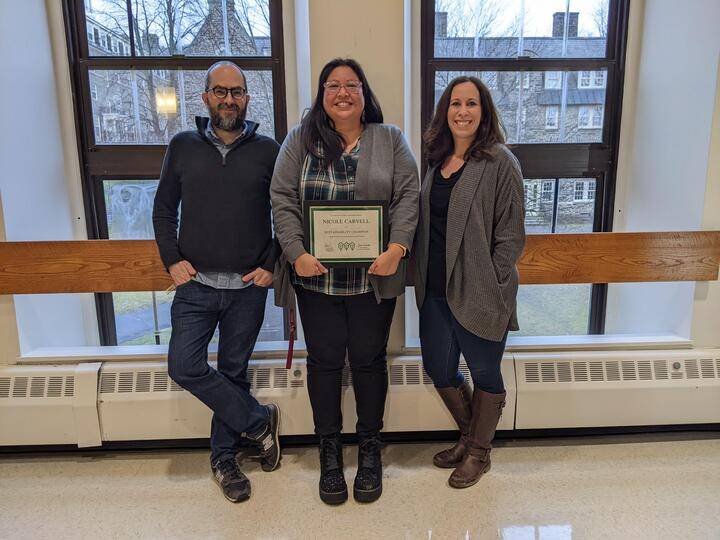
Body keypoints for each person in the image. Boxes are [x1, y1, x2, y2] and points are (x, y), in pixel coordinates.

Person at [271, 58, 419, 505]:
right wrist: (295, 253)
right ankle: (330, 453)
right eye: (332, 85)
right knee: (325, 363)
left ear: (363, 92)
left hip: (374, 281)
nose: (342, 93)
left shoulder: (389, 139)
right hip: (317, 282)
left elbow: (409, 194)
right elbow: (280, 197)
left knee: (370, 361)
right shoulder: (300, 140)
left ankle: (370, 449)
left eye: (351, 85)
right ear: (322, 94)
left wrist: (398, 249)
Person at [152, 61, 282, 503]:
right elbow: (163, 209)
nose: (229, 100)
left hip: (249, 287)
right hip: (196, 287)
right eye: (220, 91)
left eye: (238, 92)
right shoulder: (182, 145)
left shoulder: (269, 149)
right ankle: (259, 420)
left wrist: (271, 263)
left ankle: (224, 461)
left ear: (247, 97)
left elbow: (286, 213)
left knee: (233, 373)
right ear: (205, 97)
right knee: (183, 366)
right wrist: (172, 260)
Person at [414, 76, 525, 489]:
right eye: (455, 103)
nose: (462, 111)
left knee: (484, 371)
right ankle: (469, 435)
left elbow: (512, 236)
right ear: (445, 111)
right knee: (438, 368)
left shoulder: (500, 162)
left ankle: (480, 453)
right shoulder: (434, 159)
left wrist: (494, 282)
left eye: (471, 104)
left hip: (481, 288)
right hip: (435, 289)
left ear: (484, 112)